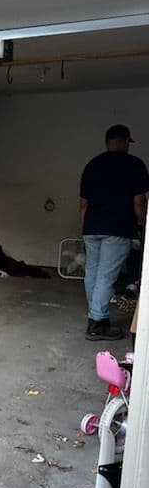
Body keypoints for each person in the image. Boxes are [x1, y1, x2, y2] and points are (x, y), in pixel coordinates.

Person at [80, 124, 149, 340]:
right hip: (118, 229)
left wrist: (88, 226)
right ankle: (97, 323)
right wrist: (142, 224)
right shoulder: (135, 164)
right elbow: (139, 201)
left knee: (92, 273)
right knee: (106, 276)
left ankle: (96, 316)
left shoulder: (92, 165)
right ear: (126, 141)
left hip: (91, 228)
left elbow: (83, 204)